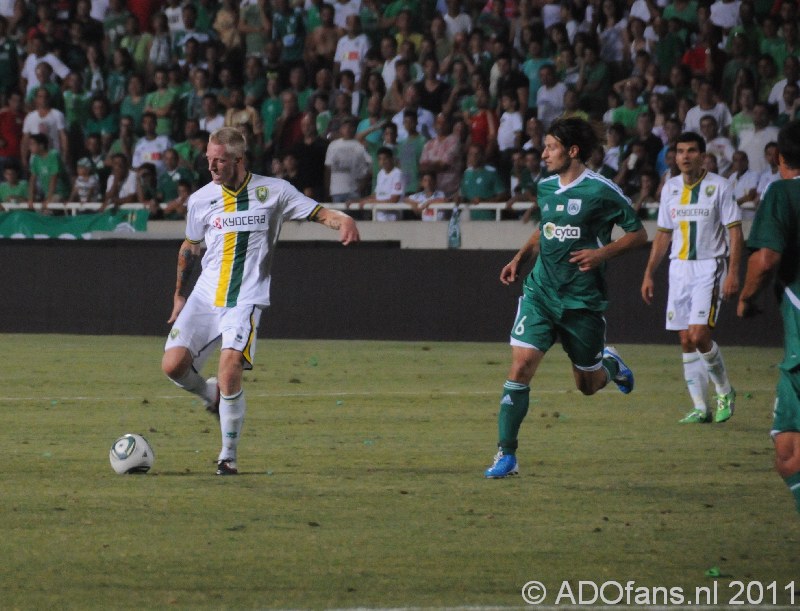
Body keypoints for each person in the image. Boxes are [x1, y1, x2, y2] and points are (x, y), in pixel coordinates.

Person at [161, 127, 359, 476]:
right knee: (173, 366)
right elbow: (190, 247)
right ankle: (210, 396)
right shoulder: (201, 200)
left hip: (246, 298)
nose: (212, 167)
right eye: (209, 160)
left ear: (239, 160)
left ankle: (228, 456)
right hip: (206, 295)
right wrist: (179, 295)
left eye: (219, 161)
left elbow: (319, 213)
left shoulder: (274, 191)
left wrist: (342, 220)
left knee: (229, 369)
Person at [484, 118, 647, 479]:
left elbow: (638, 234)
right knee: (521, 366)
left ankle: (611, 366)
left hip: (582, 302)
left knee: (586, 386)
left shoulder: (601, 191)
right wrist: (518, 259)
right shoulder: (545, 188)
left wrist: (602, 255)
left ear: (572, 151)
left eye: (550, 147)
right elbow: (546, 230)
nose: (543, 154)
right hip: (540, 293)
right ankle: (506, 455)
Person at [640, 131, 742, 424]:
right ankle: (701, 407)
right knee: (685, 339)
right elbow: (663, 234)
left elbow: (735, 232)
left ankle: (724, 390)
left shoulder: (720, 187)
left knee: (699, 335)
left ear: (702, 155)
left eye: (691, 151)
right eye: (680, 151)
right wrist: (649, 273)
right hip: (678, 268)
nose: (685, 156)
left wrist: (733, 272)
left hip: (709, 267)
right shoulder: (670, 188)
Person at [737, 119, 800, 515]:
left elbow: (765, 260)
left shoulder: (782, 193)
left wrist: (745, 298)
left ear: (778, 157)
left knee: (789, 452)